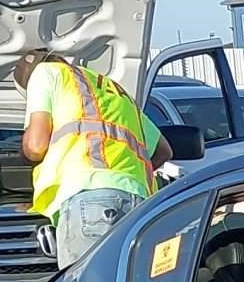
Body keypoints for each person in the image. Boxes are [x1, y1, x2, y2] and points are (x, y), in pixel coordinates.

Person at [15, 48, 171, 268]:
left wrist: (23, 150)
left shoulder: (44, 73)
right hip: (139, 200)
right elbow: (164, 150)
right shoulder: (114, 89)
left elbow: (36, 146)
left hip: (90, 200)